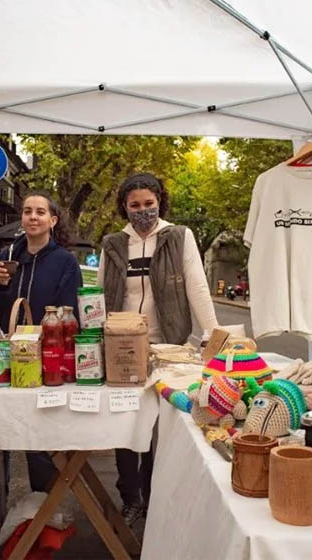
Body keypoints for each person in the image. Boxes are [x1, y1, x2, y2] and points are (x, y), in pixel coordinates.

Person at [97, 172, 219, 524]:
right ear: (124, 207)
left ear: (159, 201)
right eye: (134, 205)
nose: (143, 211)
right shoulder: (113, 243)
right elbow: (102, 293)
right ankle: (129, 495)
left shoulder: (179, 237)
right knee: (124, 420)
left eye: (149, 204)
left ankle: (153, 494)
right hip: (121, 347)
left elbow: (197, 287)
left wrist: (214, 335)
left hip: (169, 346)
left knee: (157, 425)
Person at [0, 191, 82, 492]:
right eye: (27, 211)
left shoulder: (64, 262)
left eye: (39, 212)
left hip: (44, 360)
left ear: (52, 220)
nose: (32, 217)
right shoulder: (7, 257)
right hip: (5, 359)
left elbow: (68, 313)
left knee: (38, 438)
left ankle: (42, 512)